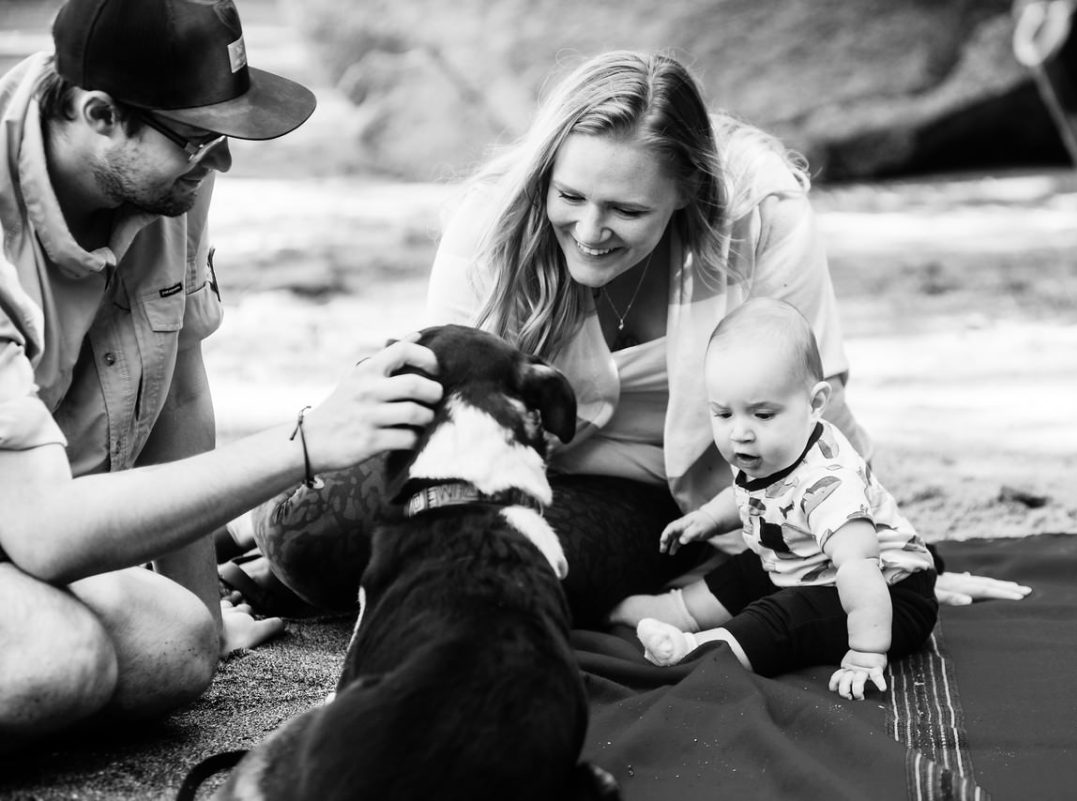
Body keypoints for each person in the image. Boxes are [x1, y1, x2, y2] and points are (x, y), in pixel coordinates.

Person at [240, 49, 1029, 628]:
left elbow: (807, 409)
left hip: (652, 494)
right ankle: (269, 553)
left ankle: (354, 582)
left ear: (687, 194)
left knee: (510, 583)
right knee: (306, 536)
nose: (590, 230)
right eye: (572, 195)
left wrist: (880, 549)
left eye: (626, 211)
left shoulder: (765, 219)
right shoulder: (493, 221)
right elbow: (444, 397)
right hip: (501, 462)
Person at [0, 0, 442, 751]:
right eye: (199, 137)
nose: (221, 161)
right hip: (33, 523)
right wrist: (305, 442)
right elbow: (42, 533)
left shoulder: (164, 180)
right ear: (102, 114)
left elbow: (180, 386)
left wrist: (204, 616)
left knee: (174, 647)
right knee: (57, 658)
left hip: (26, 515)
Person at [618, 299, 937, 699]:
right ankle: (678, 611)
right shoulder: (770, 448)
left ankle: (704, 649)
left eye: (762, 414)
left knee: (789, 616)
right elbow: (749, 495)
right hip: (809, 564)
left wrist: (866, 654)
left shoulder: (829, 487)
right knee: (751, 566)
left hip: (888, 597)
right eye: (723, 414)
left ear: (816, 404)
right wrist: (707, 518)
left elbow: (859, 567)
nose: (740, 433)